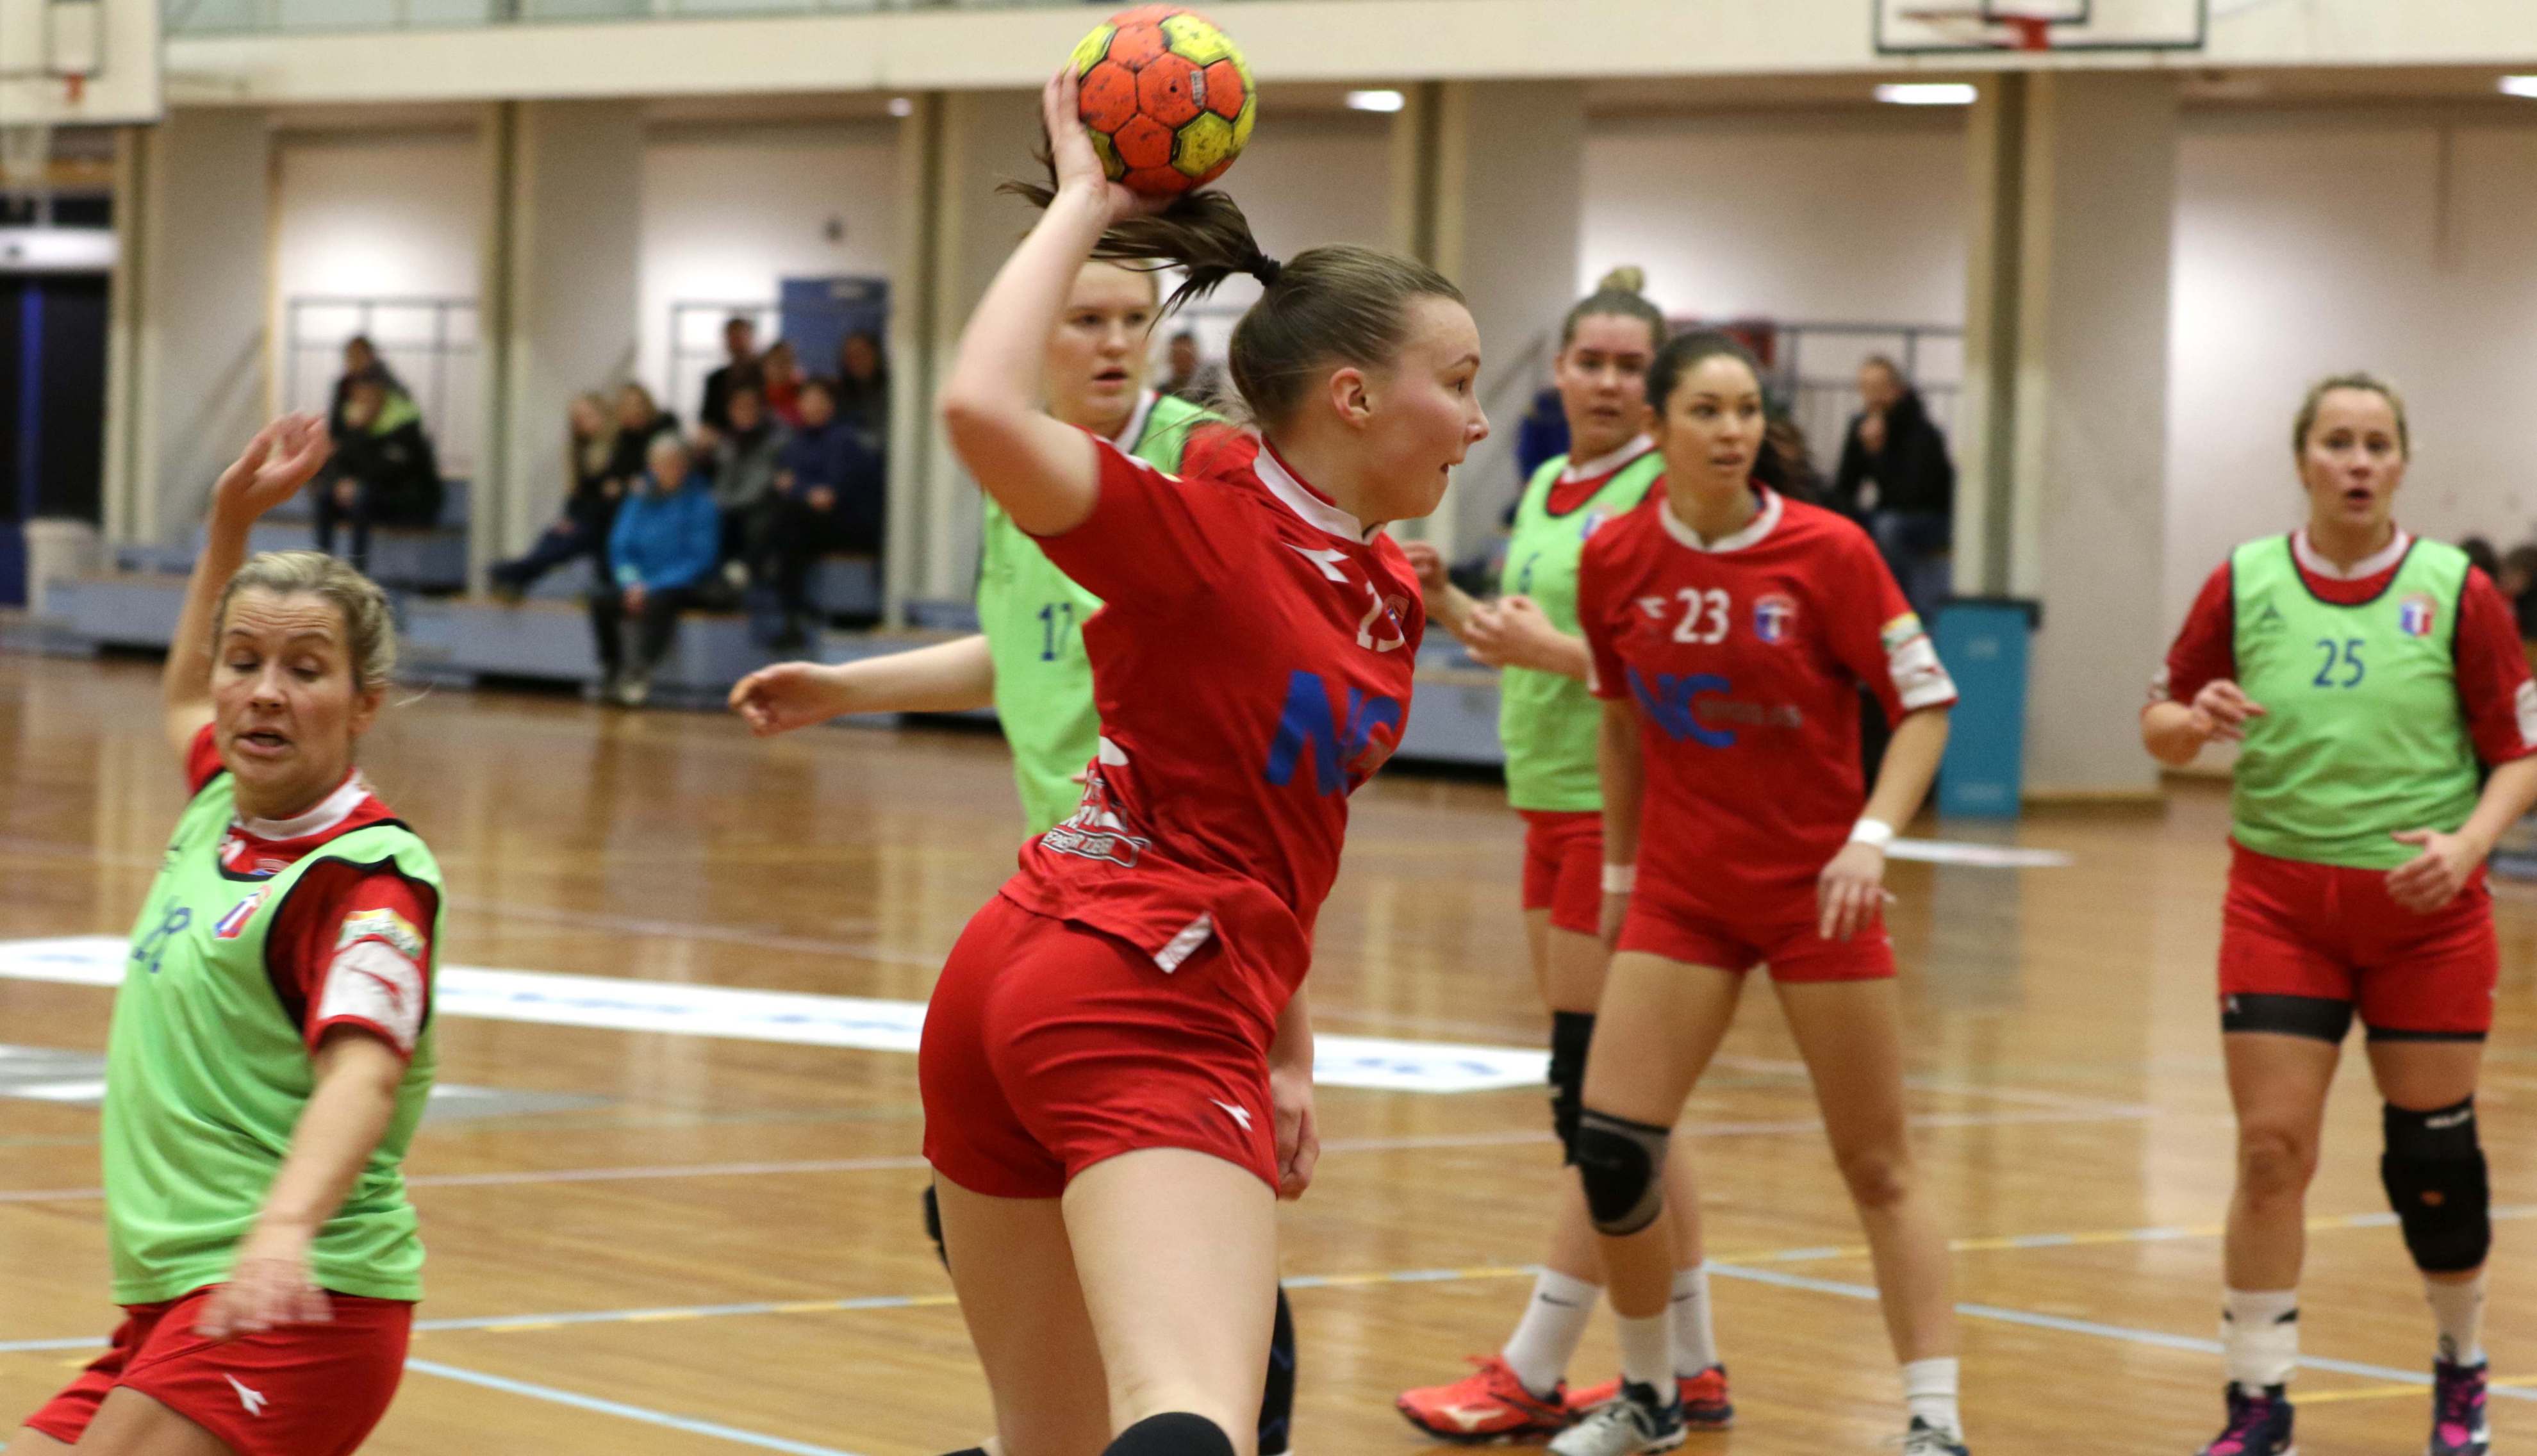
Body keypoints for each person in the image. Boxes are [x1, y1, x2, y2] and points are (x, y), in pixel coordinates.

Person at [907, 67, 1482, 1456]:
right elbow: (979, 408)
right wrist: (1083, 206)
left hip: (1055, 965)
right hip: (1135, 988)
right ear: (1352, 396)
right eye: (1459, 384)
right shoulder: (1201, 531)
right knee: (1193, 1422)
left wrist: (1288, 1050)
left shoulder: (1376, 585)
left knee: (1048, 1441)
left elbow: (1278, 841)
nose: (1477, 421)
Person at [731, 258, 1303, 1456]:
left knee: (1198, 1273)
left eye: (1133, 321)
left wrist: (1288, 1040)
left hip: (1175, 923)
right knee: (994, 1210)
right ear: (1034, 335)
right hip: (1060, 910)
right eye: (1084, 320)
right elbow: (1020, 653)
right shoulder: (1032, 474)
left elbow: (1277, 781)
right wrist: (846, 688)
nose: (1112, 343)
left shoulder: (1204, 467)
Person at [1556, 331, 1965, 1456]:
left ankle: (1933, 1421)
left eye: (1745, 410)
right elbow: (1619, 724)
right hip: (1683, 894)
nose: (1731, 431)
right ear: (1657, 428)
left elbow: (1924, 706)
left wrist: (1869, 840)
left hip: (1813, 894)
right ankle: (1650, 1395)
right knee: (1612, 1152)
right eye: (1705, 410)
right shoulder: (1614, 556)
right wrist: (1620, 875)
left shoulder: (1829, 552)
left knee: (1876, 1164)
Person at [9, 416, 443, 1456]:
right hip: (182, 1302)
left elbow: (362, 1079)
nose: (264, 691)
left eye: (305, 669)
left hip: (299, 1299)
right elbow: (177, 691)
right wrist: (227, 526)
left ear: (364, 703)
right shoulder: (222, 801)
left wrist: (285, 1228)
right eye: (243, 662)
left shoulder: (363, 881)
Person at [2144, 374, 2537, 1456]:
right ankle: (2256, 1401)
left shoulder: (2456, 589)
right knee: (2270, 1151)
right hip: (2279, 911)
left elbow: (2518, 754)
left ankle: (2459, 1364)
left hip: (2425, 917)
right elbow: (2159, 724)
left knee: (2430, 1166)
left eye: (2374, 444)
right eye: (2334, 442)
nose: (2355, 462)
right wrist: (2191, 720)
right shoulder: (2244, 579)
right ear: (2300, 460)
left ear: (2399, 463)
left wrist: (2465, 846)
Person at [1394, 269, 1730, 1443]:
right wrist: (1451, 606)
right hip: (1541, 802)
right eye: (1589, 361)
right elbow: (1532, 644)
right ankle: (1691, 1361)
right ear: (1558, 372)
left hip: (1622, 815)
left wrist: (1553, 654)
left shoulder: (1666, 497)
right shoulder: (1545, 483)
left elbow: (1676, 673)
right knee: (1630, 1109)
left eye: (1631, 367)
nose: (1606, 382)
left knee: (1596, 1108)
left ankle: (1534, 1367)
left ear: (1659, 384)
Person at [592, 432, 719, 707]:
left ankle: (640, 672)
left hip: (678, 583)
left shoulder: (701, 502)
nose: (667, 470)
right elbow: (620, 546)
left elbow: (700, 557)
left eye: (674, 464)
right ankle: (612, 668)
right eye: (660, 464)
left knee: (661, 602)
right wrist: (631, 582)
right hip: (637, 582)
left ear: (685, 466)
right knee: (601, 599)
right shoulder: (639, 499)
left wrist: (651, 586)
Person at [763, 376, 883, 646]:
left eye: (819, 400)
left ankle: (777, 593)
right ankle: (790, 614)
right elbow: (782, 484)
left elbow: (827, 497)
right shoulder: (795, 443)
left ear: (831, 405)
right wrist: (803, 491)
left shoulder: (844, 440)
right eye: (807, 401)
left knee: (789, 521)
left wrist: (797, 488)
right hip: (807, 524)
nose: (813, 406)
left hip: (848, 525)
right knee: (787, 526)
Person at [1832, 356, 1954, 620]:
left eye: (1878, 387)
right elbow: (1845, 486)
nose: (1872, 397)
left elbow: (1911, 495)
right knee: (1837, 524)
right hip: (1888, 512)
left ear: (1896, 390)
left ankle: (1894, 606)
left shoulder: (1921, 430)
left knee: (1888, 527)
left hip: (1930, 517)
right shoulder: (1861, 426)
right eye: (1865, 388)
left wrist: (1879, 453)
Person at [490, 392, 625, 600]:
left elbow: (611, 498)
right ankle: (519, 575)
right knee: (555, 534)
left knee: (574, 536)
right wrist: (568, 518)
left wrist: (579, 516)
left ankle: (518, 573)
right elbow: (578, 496)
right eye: (578, 419)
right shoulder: (580, 451)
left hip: (610, 521)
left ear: (603, 414)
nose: (583, 423)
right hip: (588, 516)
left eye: (588, 416)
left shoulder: (619, 448)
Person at [311, 371, 442, 576]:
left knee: (362, 496)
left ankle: (357, 573)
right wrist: (340, 482)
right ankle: (322, 569)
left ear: (380, 397)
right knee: (327, 496)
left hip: (408, 499)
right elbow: (340, 462)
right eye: (357, 400)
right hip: (370, 497)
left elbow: (391, 473)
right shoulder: (354, 426)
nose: (360, 406)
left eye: (365, 400)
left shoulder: (404, 426)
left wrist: (355, 482)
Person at [711, 382, 788, 589]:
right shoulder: (727, 442)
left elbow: (760, 486)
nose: (745, 412)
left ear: (762, 409)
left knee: (760, 521)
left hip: (761, 508)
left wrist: (724, 503)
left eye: (750, 406)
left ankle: (752, 577)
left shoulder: (776, 440)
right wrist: (718, 503)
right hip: (732, 507)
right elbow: (722, 482)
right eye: (738, 407)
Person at [836, 329, 893, 457]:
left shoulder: (894, 392)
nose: (857, 361)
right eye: (850, 357)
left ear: (876, 355)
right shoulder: (840, 395)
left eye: (862, 354)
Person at [700, 315, 759, 433]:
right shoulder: (715, 380)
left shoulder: (765, 376)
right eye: (732, 338)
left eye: (740, 338)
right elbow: (708, 419)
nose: (736, 344)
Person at [1157, 329, 1225, 406]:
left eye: (1186, 355)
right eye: (1178, 356)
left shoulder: (1209, 391)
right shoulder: (1162, 393)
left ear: (1196, 356)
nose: (1182, 361)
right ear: (1170, 358)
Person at [761, 339, 806, 427]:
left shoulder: (804, 393)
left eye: (785, 362)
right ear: (764, 366)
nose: (780, 367)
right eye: (775, 362)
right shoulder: (757, 397)